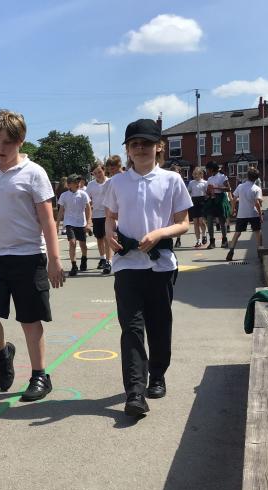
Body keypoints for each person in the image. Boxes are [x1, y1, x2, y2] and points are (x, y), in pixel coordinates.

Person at [0, 109, 64, 402]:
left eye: (7, 142)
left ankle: (39, 376)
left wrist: (55, 260)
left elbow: (47, 220)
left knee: (30, 320)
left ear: (20, 141)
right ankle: (3, 352)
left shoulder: (34, 173)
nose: (0, 148)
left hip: (29, 256)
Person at [103, 119, 191, 418]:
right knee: (131, 328)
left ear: (159, 147)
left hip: (160, 265)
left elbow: (183, 222)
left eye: (146, 143)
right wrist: (110, 234)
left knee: (159, 324)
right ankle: (135, 392)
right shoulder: (117, 182)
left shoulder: (171, 180)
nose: (139, 148)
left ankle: (158, 374)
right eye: (134, 144)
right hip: (127, 264)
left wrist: (160, 234)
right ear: (127, 150)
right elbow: (110, 217)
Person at [226, 166, 264, 261]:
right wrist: (260, 214)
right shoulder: (257, 189)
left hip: (242, 214)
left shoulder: (240, 186)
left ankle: (231, 251)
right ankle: (260, 251)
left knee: (237, 233)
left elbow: (234, 199)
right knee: (258, 232)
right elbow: (257, 203)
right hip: (253, 213)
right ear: (256, 178)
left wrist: (233, 209)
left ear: (247, 176)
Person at [57, 174, 92, 276]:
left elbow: (88, 209)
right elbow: (61, 211)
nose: (77, 184)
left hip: (81, 223)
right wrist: (57, 225)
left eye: (78, 182)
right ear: (69, 185)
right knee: (72, 243)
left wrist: (88, 223)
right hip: (69, 222)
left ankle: (84, 259)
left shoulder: (83, 194)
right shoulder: (64, 196)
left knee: (83, 244)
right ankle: (74, 265)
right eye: (75, 182)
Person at [86, 162, 112, 275]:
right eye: (95, 173)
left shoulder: (110, 182)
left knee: (107, 238)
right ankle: (102, 258)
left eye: (99, 172)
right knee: (99, 238)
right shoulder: (91, 185)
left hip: (108, 215)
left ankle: (109, 262)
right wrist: (88, 219)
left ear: (104, 170)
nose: (98, 175)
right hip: (96, 215)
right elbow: (87, 201)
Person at [204, 161, 232, 249]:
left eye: (207, 169)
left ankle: (224, 240)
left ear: (212, 169)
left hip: (220, 199)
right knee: (209, 220)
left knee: (222, 221)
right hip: (212, 199)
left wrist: (216, 187)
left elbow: (228, 188)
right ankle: (212, 241)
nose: (206, 170)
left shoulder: (222, 177)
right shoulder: (209, 179)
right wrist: (208, 192)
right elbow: (208, 192)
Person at [187, 166, 209, 248]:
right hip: (194, 202)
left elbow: (207, 193)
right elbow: (188, 192)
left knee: (201, 221)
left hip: (202, 202)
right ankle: (198, 241)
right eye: (194, 174)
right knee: (195, 222)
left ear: (201, 174)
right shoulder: (191, 183)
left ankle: (204, 235)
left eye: (197, 174)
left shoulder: (205, 183)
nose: (195, 175)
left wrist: (206, 198)